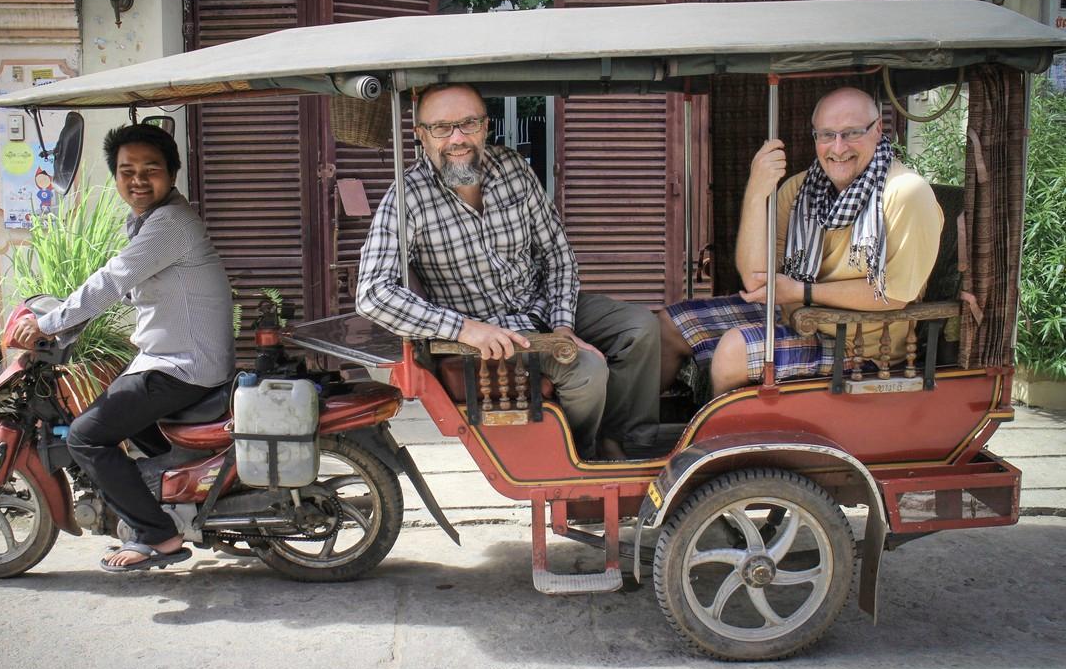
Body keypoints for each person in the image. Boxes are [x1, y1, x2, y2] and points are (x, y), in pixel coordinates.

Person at [355, 83, 664, 460]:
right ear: (421, 136)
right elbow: (372, 293)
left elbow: (557, 252)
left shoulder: (514, 169)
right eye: (441, 128)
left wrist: (563, 325)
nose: (457, 138)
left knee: (640, 326)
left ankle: (630, 444)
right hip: (490, 336)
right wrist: (465, 329)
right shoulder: (407, 196)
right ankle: (583, 459)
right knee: (586, 369)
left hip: (539, 306)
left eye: (469, 123)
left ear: (486, 126)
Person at [11, 123, 235, 572]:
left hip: (182, 366)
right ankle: (168, 497)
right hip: (179, 358)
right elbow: (131, 286)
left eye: (150, 169)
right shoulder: (154, 220)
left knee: (86, 436)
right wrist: (72, 318)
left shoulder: (169, 223)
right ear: (115, 176)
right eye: (126, 170)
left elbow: (112, 280)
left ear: (172, 173)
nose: (137, 179)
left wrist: (47, 324)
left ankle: (158, 535)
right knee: (118, 416)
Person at [660, 87, 943, 396]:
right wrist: (756, 193)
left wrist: (800, 290)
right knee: (671, 323)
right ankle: (637, 438)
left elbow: (895, 295)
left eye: (851, 133)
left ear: (878, 130)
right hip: (796, 315)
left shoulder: (904, 192)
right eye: (826, 135)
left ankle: (720, 443)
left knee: (733, 351)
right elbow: (756, 278)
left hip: (859, 345)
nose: (838, 147)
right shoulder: (801, 189)